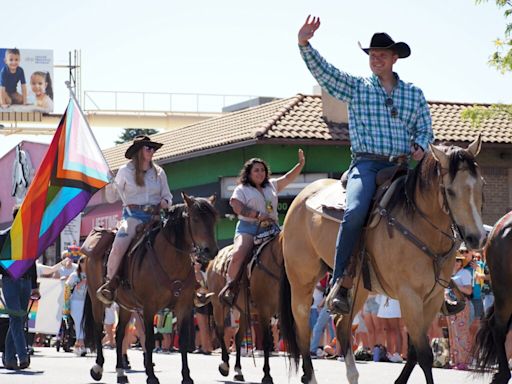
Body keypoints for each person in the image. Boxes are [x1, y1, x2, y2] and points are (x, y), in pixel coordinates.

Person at [297, 16, 433, 315]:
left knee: (434, 206)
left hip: (402, 167)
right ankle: (340, 282)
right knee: (356, 210)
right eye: (372, 56)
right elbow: (326, 74)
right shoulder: (357, 87)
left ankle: (440, 283)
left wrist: (421, 146)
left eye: (382, 55)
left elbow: (425, 128)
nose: (376, 60)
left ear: (395, 58)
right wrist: (305, 44)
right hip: (367, 166)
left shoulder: (414, 94)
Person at [219, 149, 305, 306]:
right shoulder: (242, 189)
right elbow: (236, 205)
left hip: (272, 229)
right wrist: (256, 215)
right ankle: (230, 287)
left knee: (293, 251)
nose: (260, 173)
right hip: (249, 229)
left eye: (263, 170)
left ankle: (299, 288)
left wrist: (300, 165)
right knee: (238, 254)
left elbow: (287, 178)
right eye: (256, 170)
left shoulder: (271, 185)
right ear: (249, 173)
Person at [96, 135, 173, 305]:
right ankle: (110, 283)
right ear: (139, 152)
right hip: (133, 217)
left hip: (156, 217)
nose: (152, 151)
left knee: (179, 238)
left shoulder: (159, 172)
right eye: (148, 148)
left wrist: (165, 202)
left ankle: (192, 285)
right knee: (118, 246)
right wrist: (109, 183)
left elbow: (167, 195)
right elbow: (111, 197)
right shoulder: (125, 171)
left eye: (153, 148)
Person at [1, 205, 40, 370]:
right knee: (17, 319)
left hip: (25, 282)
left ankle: (9, 359)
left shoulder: (29, 239)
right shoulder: (3, 237)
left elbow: (32, 263)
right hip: (10, 282)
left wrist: (34, 286)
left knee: (18, 320)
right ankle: (23, 356)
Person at [446, 253, 472, 370]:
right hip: (450, 304)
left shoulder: (464, 273)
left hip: (461, 303)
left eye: (458, 260)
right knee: (453, 332)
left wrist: (454, 285)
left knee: (462, 332)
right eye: (454, 260)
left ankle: (464, 360)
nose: (455, 262)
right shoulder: (451, 274)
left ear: (461, 263)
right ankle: (455, 360)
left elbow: (469, 290)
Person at [63, 255, 88, 356]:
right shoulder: (74, 275)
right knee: (78, 323)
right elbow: (67, 286)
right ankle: (80, 344)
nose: (85, 265)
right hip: (76, 301)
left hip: (86, 301)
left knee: (85, 323)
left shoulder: (92, 274)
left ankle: (80, 344)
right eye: (83, 262)